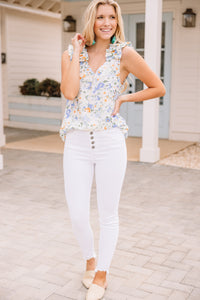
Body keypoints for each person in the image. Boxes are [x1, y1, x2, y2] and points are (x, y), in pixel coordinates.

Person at [60, 0, 166, 299]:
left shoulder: (125, 53)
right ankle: (90, 261)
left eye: (112, 17)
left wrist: (124, 100)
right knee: (78, 213)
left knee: (108, 213)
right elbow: (69, 93)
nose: (106, 23)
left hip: (109, 142)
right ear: (91, 21)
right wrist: (78, 52)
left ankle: (102, 274)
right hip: (77, 142)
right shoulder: (70, 54)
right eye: (100, 17)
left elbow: (158, 87)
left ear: (117, 21)